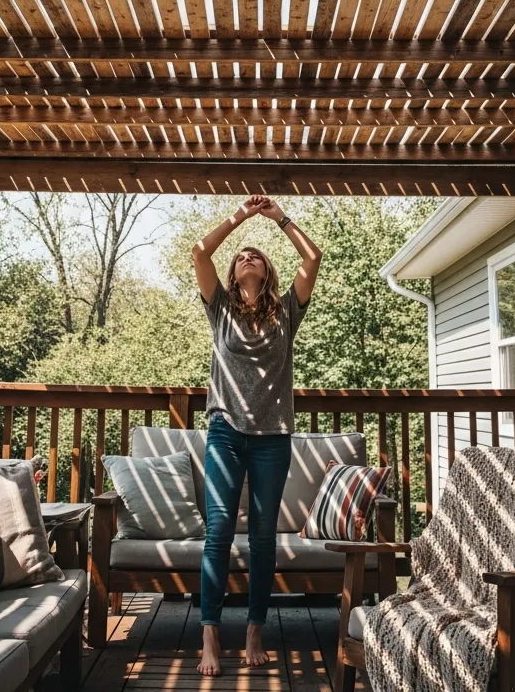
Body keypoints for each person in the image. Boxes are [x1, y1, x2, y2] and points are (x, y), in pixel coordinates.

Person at [191, 195, 323, 676]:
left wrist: (278, 218)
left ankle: (254, 629)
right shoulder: (220, 307)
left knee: (262, 535)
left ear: (266, 271)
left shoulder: (287, 310)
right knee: (219, 530)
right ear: (234, 273)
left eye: (256, 255)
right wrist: (241, 216)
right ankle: (209, 635)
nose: (248, 255)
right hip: (225, 430)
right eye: (241, 255)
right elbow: (200, 252)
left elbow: (313, 258)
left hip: (272, 437)